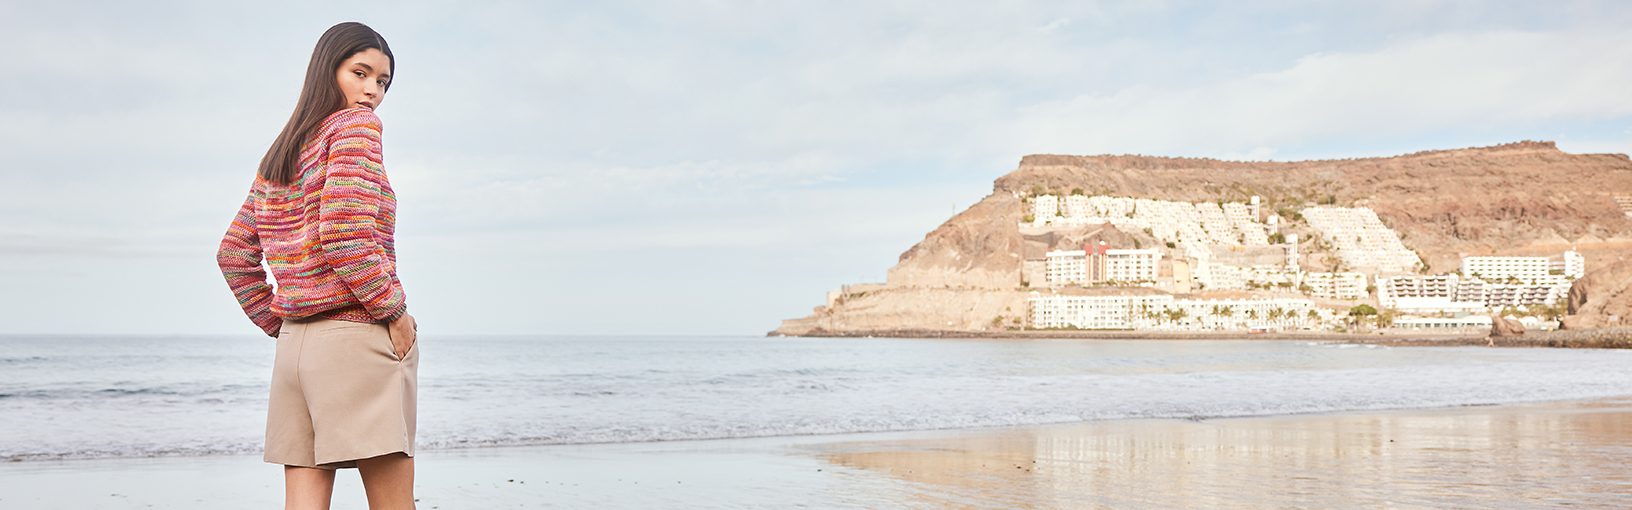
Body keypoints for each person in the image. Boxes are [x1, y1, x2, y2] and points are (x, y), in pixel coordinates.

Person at [217, 22, 419, 510]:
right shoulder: (354, 127)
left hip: (296, 351)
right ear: (327, 70)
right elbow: (343, 232)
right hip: (356, 336)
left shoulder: (282, 152)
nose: (372, 91)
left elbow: (233, 253)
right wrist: (394, 312)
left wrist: (281, 323)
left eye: (384, 82)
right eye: (361, 73)